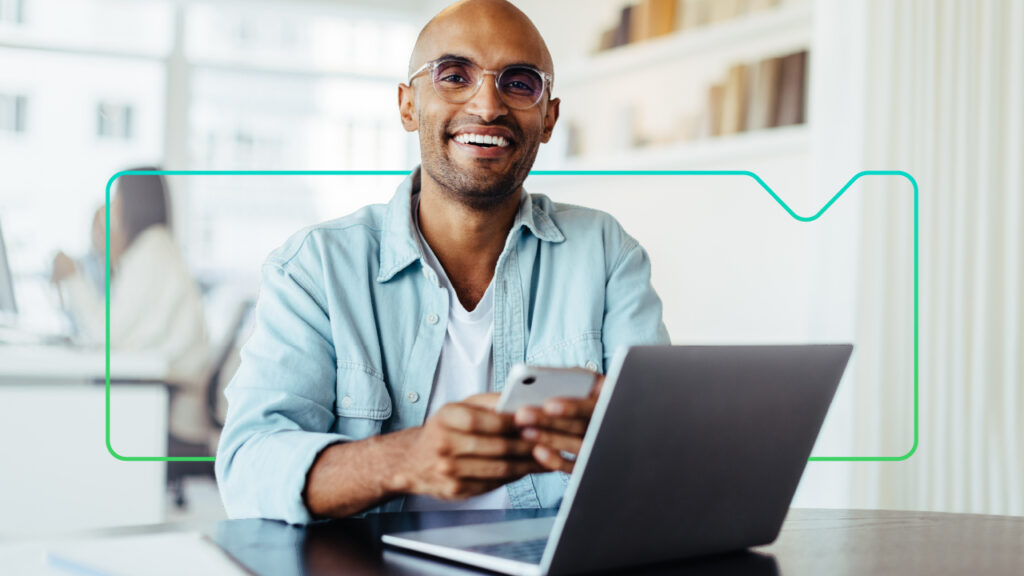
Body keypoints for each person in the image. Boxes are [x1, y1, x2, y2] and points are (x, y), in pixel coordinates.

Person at [216, 0, 669, 523]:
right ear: (408, 106)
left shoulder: (607, 253)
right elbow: (248, 469)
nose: (487, 105)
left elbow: (659, 450)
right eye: (455, 76)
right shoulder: (314, 268)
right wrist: (403, 460)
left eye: (519, 84)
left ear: (548, 118)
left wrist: (633, 435)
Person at [51, 170, 210, 444]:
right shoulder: (155, 249)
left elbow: (103, 334)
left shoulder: (150, 254)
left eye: (116, 198)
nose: (111, 209)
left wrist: (73, 276)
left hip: (171, 415)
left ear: (134, 202)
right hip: (168, 401)